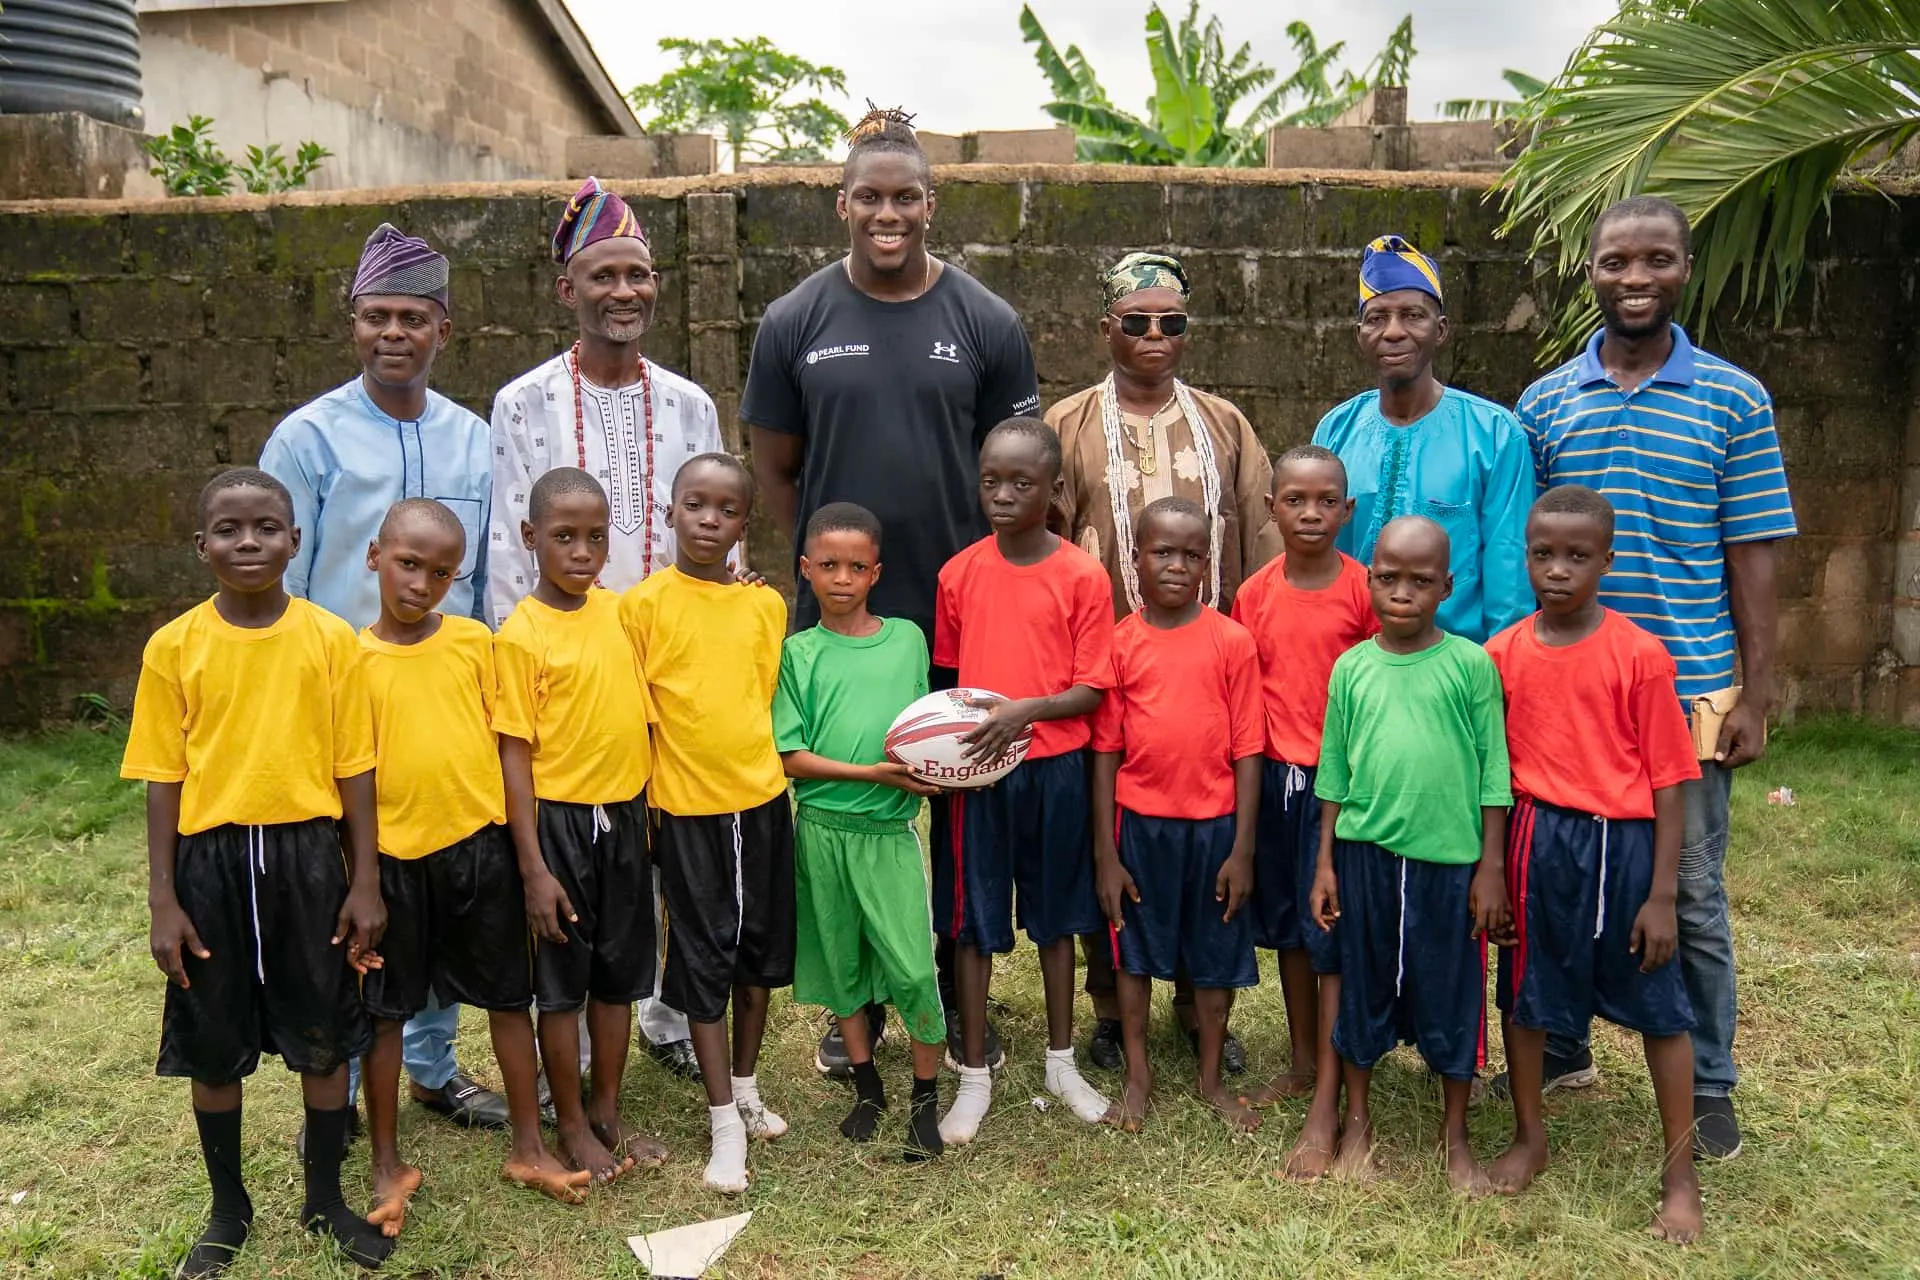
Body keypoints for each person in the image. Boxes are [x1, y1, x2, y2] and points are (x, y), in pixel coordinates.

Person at [744, 105, 1040, 1077]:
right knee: (848, 821)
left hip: (956, 618)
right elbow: (776, 471)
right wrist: (835, 586)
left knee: (958, 812)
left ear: (931, 202)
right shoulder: (795, 321)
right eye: (868, 195)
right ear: (841, 204)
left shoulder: (987, 321)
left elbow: (1020, 465)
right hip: (846, 621)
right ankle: (856, 1007)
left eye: (904, 196)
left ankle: (959, 1006)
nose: (887, 211)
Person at [1513, 195, 1797, 1161]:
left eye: (1658, 261)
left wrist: (1756, 694)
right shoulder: (1545, 403)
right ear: (1587, 272)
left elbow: (1754, 549)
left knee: (1693, 894)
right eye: (1615, 262)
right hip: (1565, 693)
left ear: (1686, 268)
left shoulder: (1734, 398)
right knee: (1555, 876)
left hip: (1690, 689)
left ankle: (1711, 1080)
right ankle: (1561, 1043)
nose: (1636, 279)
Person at [258, 223, 506, 1139]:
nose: (392, 334)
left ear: (443, 329)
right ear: (353, 324)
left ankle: (434, 1069)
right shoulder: (308, 438)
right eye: (375, 317)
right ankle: (350, 1082)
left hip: (443, 705)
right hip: (343, 704)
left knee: (436, 884)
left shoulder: (476, 439)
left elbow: (486, 576)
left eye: (412, 317)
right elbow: (274, 587)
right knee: (351, 893)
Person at [121, 467, 391, 1276]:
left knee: (323, 1031)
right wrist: (163, 899)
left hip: (310, 859)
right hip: (211, 863)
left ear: (295, 541)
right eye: (230, 530)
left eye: (266, 527)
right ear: (201, 545)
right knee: (214, 1038)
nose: (249, 542)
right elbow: (163, 778)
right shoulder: (174, 647)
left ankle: (324, 1198)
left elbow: (357, 769)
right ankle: (229, 1207)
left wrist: (366, 879)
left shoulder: (329, 640)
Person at [489, 177, 723, 1080]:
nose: (624, 292)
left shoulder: (691, 404)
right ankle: (576, 1036)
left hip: (666, 662)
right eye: (604, 277)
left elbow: (704, 532)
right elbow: (512, 560)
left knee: (663, 843)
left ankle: (658, 1013)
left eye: (638, 275)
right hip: (568, 672)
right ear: (567, 291)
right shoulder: (523, 404)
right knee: (578, 847)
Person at [1050, 249, 1280, 1076]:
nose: (1156, 336)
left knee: (1204, 839)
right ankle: (1112, 1006)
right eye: (1138, 321)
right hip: (1107, 676)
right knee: (1112, 840)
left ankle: (1196, 999)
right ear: (1106, 327)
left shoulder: (1226, 424)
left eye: (1172, 322)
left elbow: (1261, 545)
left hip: (1208, 677)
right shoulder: (1068, 423)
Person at [355, 499, 590, 1236]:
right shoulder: (347, 660)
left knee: (506, 1000)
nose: (422, 583)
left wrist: (527, 864)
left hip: (477, 849)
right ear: (374, 557)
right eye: (407, 564)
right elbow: (346, 776)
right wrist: (358, 877)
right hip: (393, 860)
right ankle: (386, 1161)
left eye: (441, 572)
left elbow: (509, 751)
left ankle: (528, 1145)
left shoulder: (473, 644)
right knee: (385, 1015)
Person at [1482, 486, 1703, 1242]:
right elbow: (1493, 776)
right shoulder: (1502, 654)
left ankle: (1681, 1174)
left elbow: (1672, 780)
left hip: (1623, 848)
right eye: (1544, 554)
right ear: (1527, 556)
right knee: (1526, 993)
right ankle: (1530, 1136)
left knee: (1658, 1005)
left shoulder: (1639, 655)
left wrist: (1663, 895)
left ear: (1608, 560)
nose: (1559, 570)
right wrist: (1492, 872)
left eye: (1578, 556)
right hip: (1535, 841)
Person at [1308, 515, 1512, 1192]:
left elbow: (1493, 774)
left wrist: (1490, 866)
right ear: (1368, 579)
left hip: (1449, 867)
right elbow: (1332, 773)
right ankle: (1357, 1122)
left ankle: (1456, 1138)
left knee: (1452, 994)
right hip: (1366, 859)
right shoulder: (1351, 668)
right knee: (1362, 988)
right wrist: (1325, 863)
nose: (1402, 592)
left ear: (1447, 586)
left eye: (1420, 581)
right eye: (1388, 577)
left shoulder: (1470, 665)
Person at [932, 418, 1113, 1145]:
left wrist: (1027, 712)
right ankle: (973, 1074)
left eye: (1022, 483)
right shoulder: (960, 572)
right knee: (972, 924)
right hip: (978, 777)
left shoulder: (1082, 575)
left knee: (1058, 920)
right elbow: (949, 683)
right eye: (991, 482)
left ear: (1054, 490)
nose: (1003, 496)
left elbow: (1094, 688)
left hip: (1057, 771)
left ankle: (1062, 1063)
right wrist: (955, 752)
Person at [621, 453, 794, 1195]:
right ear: (670, 513)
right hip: (686, 811)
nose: (709, 521)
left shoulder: (765, 605)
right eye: (696, 506)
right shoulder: (643, 607)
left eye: (726, 510)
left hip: (760, 804)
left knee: (758, 954)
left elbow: (759, 697)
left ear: (743, 525)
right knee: (703, 958)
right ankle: (722, 1119)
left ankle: (747, 1087)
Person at [493, 467, 663, 1190]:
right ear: (531, 538)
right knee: (560, 985)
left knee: (617, 978)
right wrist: (532, 866)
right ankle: (567, 1123)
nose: (582, 552)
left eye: (596, 537)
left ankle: (607, 1108)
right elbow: (514, 753)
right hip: (558, 828)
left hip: (623, 820)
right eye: (564, 537)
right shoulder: (520, 635)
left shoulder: (621, 614)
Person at [773, 501, 947, 1161]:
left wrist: (930, 768)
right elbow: (791, 758)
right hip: (821, 831)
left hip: (888, 836)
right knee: (843, 968)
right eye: (828, 565)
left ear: (876, 572)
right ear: (806, 570)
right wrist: (872, 772)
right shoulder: (798, 653)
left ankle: (925, 1100)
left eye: (856, 566)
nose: (841, 578)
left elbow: (928, 729)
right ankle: (868, 1089)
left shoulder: (905, 639)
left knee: (909, 966)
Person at [1227, 444, 1379, 1178]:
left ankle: (1335, 1087)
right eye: (1296, 501)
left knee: (1332, 937)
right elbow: (1247, 699)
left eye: (1327, 502)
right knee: (1289, 926)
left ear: (1347, 512)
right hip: (1278, 778)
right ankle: (1298, 1060)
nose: (1311, 514)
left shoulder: (1365, 593)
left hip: (1340, 787)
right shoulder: (1254, 595)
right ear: (1271, 509)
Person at [1091, 497, 1264, 1134]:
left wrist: (1243, 849)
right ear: (1135, 559)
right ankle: (1139, 1078)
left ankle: (1211, 1078)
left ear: (1208, 563)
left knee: (1216, 958)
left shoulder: (1232, 641)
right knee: (1135, 957)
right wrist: (1106, 856)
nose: (1177, 565)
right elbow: (1106, 752)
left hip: (1217, 829)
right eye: (1162, 551)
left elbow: (1249, 748)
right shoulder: (1121, 643)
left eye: (1192, 555)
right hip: (1142, 829)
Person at [1312, 234, 1532, 644]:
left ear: (1441, 329)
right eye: (1377, 318)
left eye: (1412, 315)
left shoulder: (1494, 435)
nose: (1393, 332)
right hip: (1353, 669)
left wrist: (1501, 677)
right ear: (1360, 333)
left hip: (1455, 673)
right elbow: (1321, 560)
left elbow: (1510, 582)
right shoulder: (1336, 430)